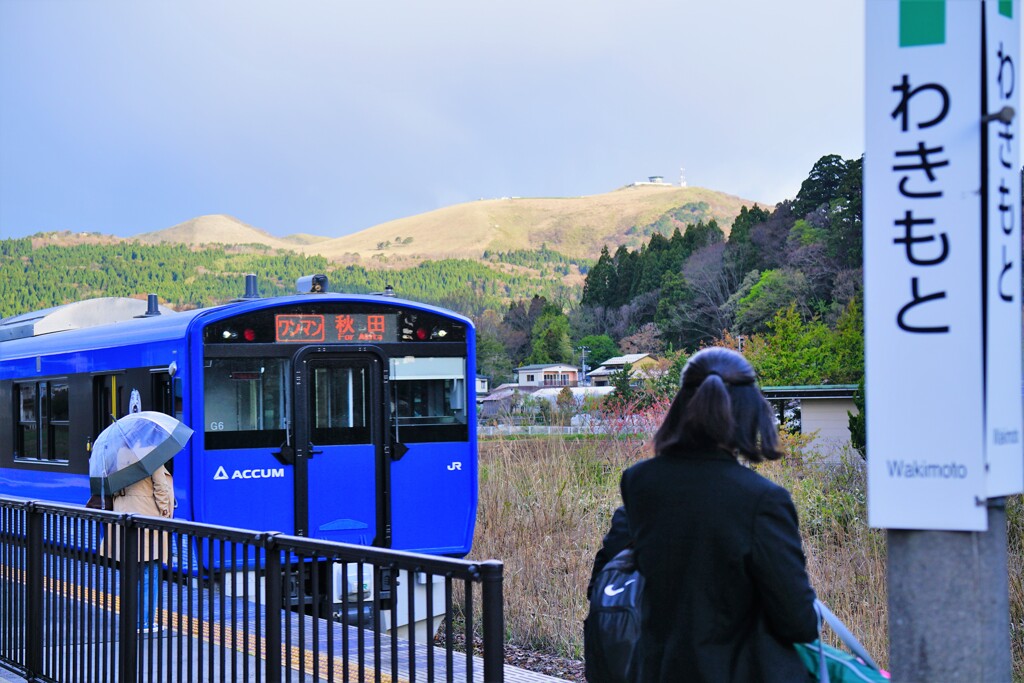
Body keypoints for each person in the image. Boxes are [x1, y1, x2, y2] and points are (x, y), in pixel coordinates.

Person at [619, 347, 818, 682]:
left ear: (681, 407)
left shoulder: (639, 482)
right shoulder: (763, 501)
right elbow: (799, 624)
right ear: (750, 411)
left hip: (655, 671)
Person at [113, 445, 175, 633]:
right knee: (150, 572)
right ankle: (145, 623)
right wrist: (165, 513)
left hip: (125, 515)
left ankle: (131, 620)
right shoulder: (150, 452)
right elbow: (161, 486)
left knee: (132, 572)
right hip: (147, 517)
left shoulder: (119, 453)